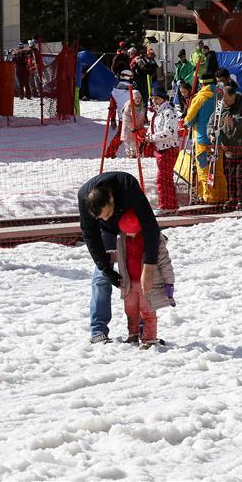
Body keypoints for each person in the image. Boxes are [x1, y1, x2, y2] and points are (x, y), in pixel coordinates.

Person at [78, 171, 160, 344]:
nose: (106, 219)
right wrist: (105, 268)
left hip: (132, 228)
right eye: (100, 217)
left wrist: (149, 265)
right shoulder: (84, 198)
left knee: (138, 277)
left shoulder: (127, 186)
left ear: (112, 199)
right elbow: (90, 235)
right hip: (107, 234)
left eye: (107, 214)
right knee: (101, 278)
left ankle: (142, 329)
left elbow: (150, 226)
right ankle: (98, 331)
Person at [115, 208, 175, 349]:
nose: (128, 233)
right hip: (129, 283)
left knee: (148, 312)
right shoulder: (122, 238)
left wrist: (169, 282)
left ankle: (149, 339)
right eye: (125, 230)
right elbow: (123, 257)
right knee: (130, 311)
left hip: (147, 284)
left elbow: (164, 262)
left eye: (131, 230)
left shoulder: (153, 240)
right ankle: (133, 335)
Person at [207, 82, 242, 210]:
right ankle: (232, 199)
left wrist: (235, 120)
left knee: (241, 176)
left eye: (228, 101)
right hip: (227, 148)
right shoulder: (220, 106)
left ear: (234, 96)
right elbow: (211, 124)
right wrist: (211, 135)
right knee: (229, 176)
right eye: (224, 101)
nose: (226, 103)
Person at [184, 72, 222, 203]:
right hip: (218, 140)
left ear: (201, 83)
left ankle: (209, 198)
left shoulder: (200, 98)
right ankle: (221, 195)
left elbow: (189, 119)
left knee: (204, 169)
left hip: (202, 139)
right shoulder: (221, 95)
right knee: (218, 169)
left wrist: (186, 121)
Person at [147, 86, 181, 212]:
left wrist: (153, 138)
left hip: (168, 149)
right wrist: (147, 135)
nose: (154, 101)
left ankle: (166, 206)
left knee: (162, 179)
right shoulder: (158, 112)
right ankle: (171, 205)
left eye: (157, 98)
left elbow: (169, 132)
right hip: (161, 149)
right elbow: (154, 127)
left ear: (163, 98)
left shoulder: (169, 112)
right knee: (166, 178)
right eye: (153, 98)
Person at [120, 89, 148, 158]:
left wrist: (141, 126)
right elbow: (126, 119)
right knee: (129, 143)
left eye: (139, 98)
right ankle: (130, 155)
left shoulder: (141, 106)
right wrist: (132, 127)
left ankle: (135, 154)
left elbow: (142, 117)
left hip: (137, 128)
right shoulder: (128, 107)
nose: (138, 100)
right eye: (136, 98)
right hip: (129, 129)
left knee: (136, 143)